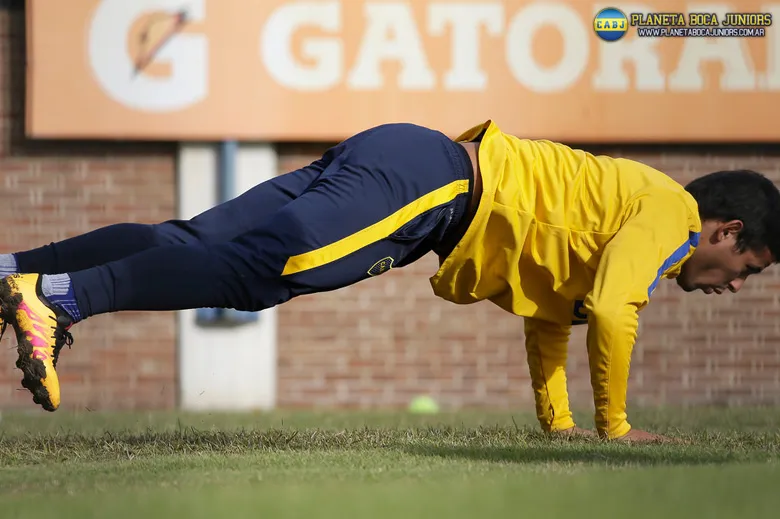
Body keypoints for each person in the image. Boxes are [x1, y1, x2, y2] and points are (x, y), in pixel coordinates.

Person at [0, 120, 778, 442]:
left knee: (198, 241)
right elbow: (614, 309)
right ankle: (61, 297)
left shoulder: (630, 220)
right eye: (750, 268)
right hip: (434, 187)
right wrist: (619, 427)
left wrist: (564, 425)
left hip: (411, 165)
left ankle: (17, 274)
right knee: (259, 271)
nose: (737, 285)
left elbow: (555, 316)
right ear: (727, 231)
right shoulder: (672, 216)